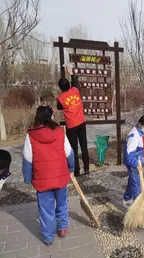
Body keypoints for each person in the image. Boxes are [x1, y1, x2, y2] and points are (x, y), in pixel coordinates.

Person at [22, 106, 75, 245]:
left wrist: (27, 178)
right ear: (50, 116)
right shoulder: (59, 131)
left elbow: (27, 158)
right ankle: (63, 227)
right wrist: (72, 167)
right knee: (62, 203)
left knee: (46, 209)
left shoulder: (31, 134)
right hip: (60, 176)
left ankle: (48, 237)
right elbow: (69, 152)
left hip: (42, 179)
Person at [57, 63, 89, 177]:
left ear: (60, 88)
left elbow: (59, 107)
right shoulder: (75, 91)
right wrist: (71, 73)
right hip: (81, 122)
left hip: (71, 126)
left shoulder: (60, 98)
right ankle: (86, 169)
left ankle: (76, 171)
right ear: (69, 85)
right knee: (84, 146)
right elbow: (76, 82)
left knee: (74, 149)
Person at [122, 115, 144, 205]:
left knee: (132, 181)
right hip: (133, 163)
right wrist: (136, 165)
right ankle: (138, 204)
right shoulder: (134, 136)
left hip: (136, 161)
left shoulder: (139, 132)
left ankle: (126, 198)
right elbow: (129, 155)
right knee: (137, 183)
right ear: (139, 124)